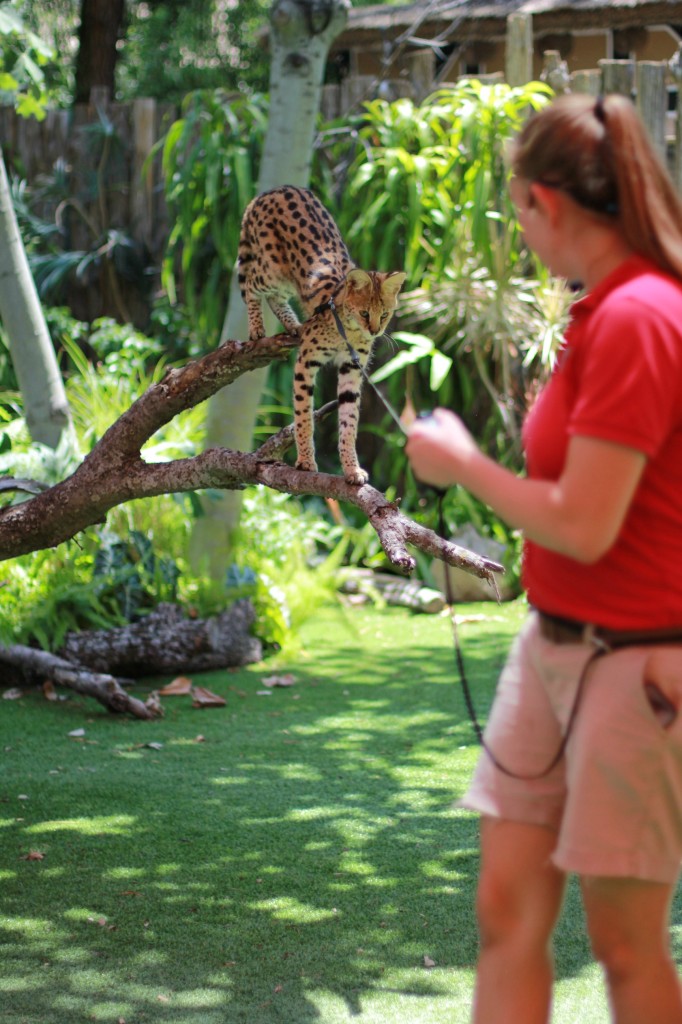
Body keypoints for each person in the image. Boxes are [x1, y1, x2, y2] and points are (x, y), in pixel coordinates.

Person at [406, 92, 682, 1024]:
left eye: (518, 213)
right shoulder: (600, 310)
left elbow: (584, 525)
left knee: (624, 946)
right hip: (552, 646)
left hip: (638, 667)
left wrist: (462, 465)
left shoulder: (644, 317)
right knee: (505, 912)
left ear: (540, 202)